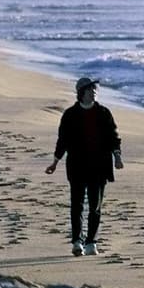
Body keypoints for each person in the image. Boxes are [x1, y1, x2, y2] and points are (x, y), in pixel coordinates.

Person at [45, 76, 124, 255]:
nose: (93, 92)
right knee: (77, 204)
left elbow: (114, 137)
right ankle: (76, 241)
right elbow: (62, 140)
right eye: (90, 90)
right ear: (81, 92)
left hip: (100, 166)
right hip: (77, 165)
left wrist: (117, 157)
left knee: (95, 206)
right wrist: (55, 162)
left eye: (95, 89)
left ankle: (91, 242)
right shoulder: (70, 115)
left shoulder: (104, 113)